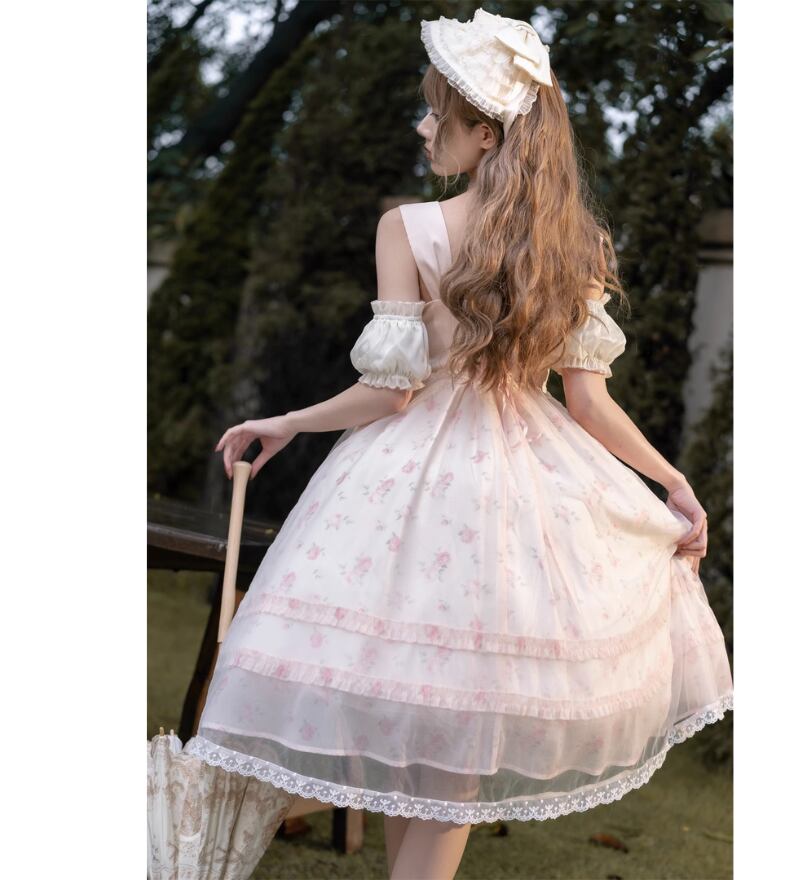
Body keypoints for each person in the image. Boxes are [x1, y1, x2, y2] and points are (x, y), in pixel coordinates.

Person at [186, 8, 733, 879]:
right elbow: (588, 403)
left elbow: (393, 392)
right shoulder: (576, 247)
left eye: (437, 113)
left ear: (485, 133)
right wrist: (671, 479)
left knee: (420, 712)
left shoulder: (409, 227)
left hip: (410, 485)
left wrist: (289, 422)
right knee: (458, 724)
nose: (423, 126)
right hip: (525, 492)